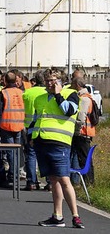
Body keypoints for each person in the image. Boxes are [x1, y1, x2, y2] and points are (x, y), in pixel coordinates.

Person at [32, 69, 84, 229]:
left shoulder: (71, 95)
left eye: (53, 80)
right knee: (53, 179)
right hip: (41, 141)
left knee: (64, 179)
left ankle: (76, 216)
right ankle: (57, 216)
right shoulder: (40, 98)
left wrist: (58, 94)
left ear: (62, 82)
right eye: (48, 80)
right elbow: (36, 118)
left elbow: (68, 111)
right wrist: (31, 136)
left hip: (59, 142)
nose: (50, 83)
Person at [0, 71, 26, 185]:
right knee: (16, 152)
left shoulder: (3, 93)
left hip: (6, 125)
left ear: (5, 80)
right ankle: (13, 173)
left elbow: (0, 110)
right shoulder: (21, 92)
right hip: (19, 124)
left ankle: (13, 175)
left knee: (10, 152)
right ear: (16, 80)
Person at [70, 77, 95, 185]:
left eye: (72, 83)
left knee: (84, 159)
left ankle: (89, 183)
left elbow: (81, 117)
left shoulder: (84, 99)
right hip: (84, 132)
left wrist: (76, 130)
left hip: (82, 133)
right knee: (83, 159)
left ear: (77, 85)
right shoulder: (86, 96)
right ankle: (86, 182)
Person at [22, 70, 45, 191]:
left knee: (31, 155)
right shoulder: (48, 93)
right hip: (45, 128)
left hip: (29, 126)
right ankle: (50, 182)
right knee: (46, 156)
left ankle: (31, 181)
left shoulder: (27, 92)